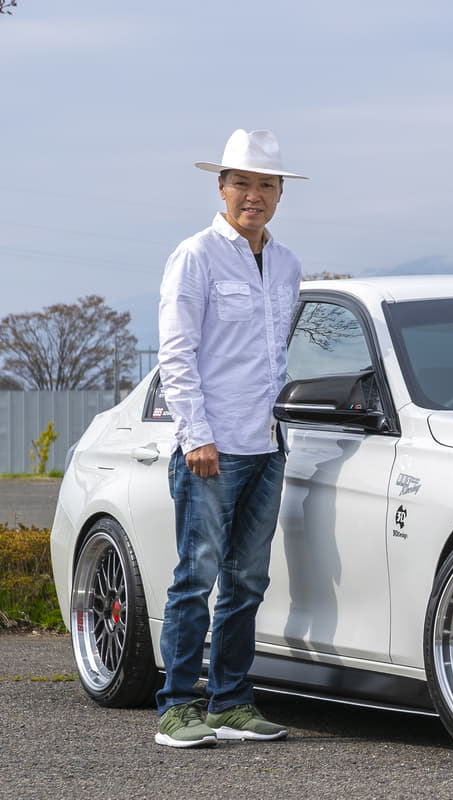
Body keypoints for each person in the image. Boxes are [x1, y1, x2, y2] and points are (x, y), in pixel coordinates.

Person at [154, 129, 307, 748]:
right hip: (211, 449)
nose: (253, 195)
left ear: (280, 194)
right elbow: (176, 354)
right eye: (241, 182)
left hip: (267, 445)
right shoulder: (195, 256)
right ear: (221, 187)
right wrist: (196, 436)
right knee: (195, 579)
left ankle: (231, 704)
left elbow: (275, 356)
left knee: (248, 583)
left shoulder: (289, 264)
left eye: (265, 184)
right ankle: (176, 709)